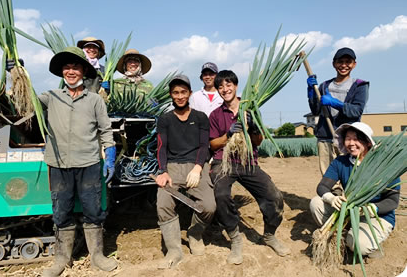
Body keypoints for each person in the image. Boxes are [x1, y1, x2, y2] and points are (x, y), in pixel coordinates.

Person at [37, 47, 117, 276]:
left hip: (89, 163)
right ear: (62, 72)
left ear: (83, 71)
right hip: (58, 163)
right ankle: (62, 260)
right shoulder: (50, 97)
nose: (71, 71)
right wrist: (15, 74)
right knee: (61, 211)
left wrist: (110, 157)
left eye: (75, 67)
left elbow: (105, 131)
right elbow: (23, 104)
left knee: (93, 210)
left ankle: (98, 256)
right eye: (67, 67)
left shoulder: (94, 101)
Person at [209, 70, 290, 265]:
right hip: (225, 162)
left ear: (236, 86)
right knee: (220, 194)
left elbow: (258, 142)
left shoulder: (251, 110)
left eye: (228, 85)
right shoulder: (215, 114)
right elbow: (212, 144)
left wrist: (252, 128)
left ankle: (269, 235)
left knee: (274, 197)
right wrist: (228, 135)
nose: (224, 89)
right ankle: (235, 238)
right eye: (220, 87)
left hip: (248, 161)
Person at [310, 122, 400, 257]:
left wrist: (371, 209)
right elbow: (322, 186)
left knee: (358, 245)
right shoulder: (341, 162)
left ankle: (369, 241)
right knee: (316, 203)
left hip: (377, 216)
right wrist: (331, 197)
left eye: (356, 139)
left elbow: (393, 201)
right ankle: (341, 233)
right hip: (350, 212)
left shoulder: (383, 166)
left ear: (368, 142)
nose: (351, 143)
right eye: (347, 138)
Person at [155, 74, 216, 269]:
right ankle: (174, 249)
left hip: (196, 166)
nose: (180, 96)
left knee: (208, 206)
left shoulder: (200, 117)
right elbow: (161, 147)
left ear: (190, 93)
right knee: (163, 204)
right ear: (171, 95)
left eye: (183, 92)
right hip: (172, 167)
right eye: (175, 93)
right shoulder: (165, 119)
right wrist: (163, 171)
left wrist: (198, 168)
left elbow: (204, 145)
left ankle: (195, 233)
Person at [307, 47, 369, 175]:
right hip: (326, 138)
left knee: (349, 173)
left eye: (348, 62)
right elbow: (315, 110)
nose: (344, 65)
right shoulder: (324, 86)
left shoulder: (359, 85)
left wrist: (336, 103)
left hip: (349, 139)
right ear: (334, 63)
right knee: (329, 174)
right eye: (340, 62)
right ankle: (333, 195)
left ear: (354, 64)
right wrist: (312, 92)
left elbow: (356, 111)